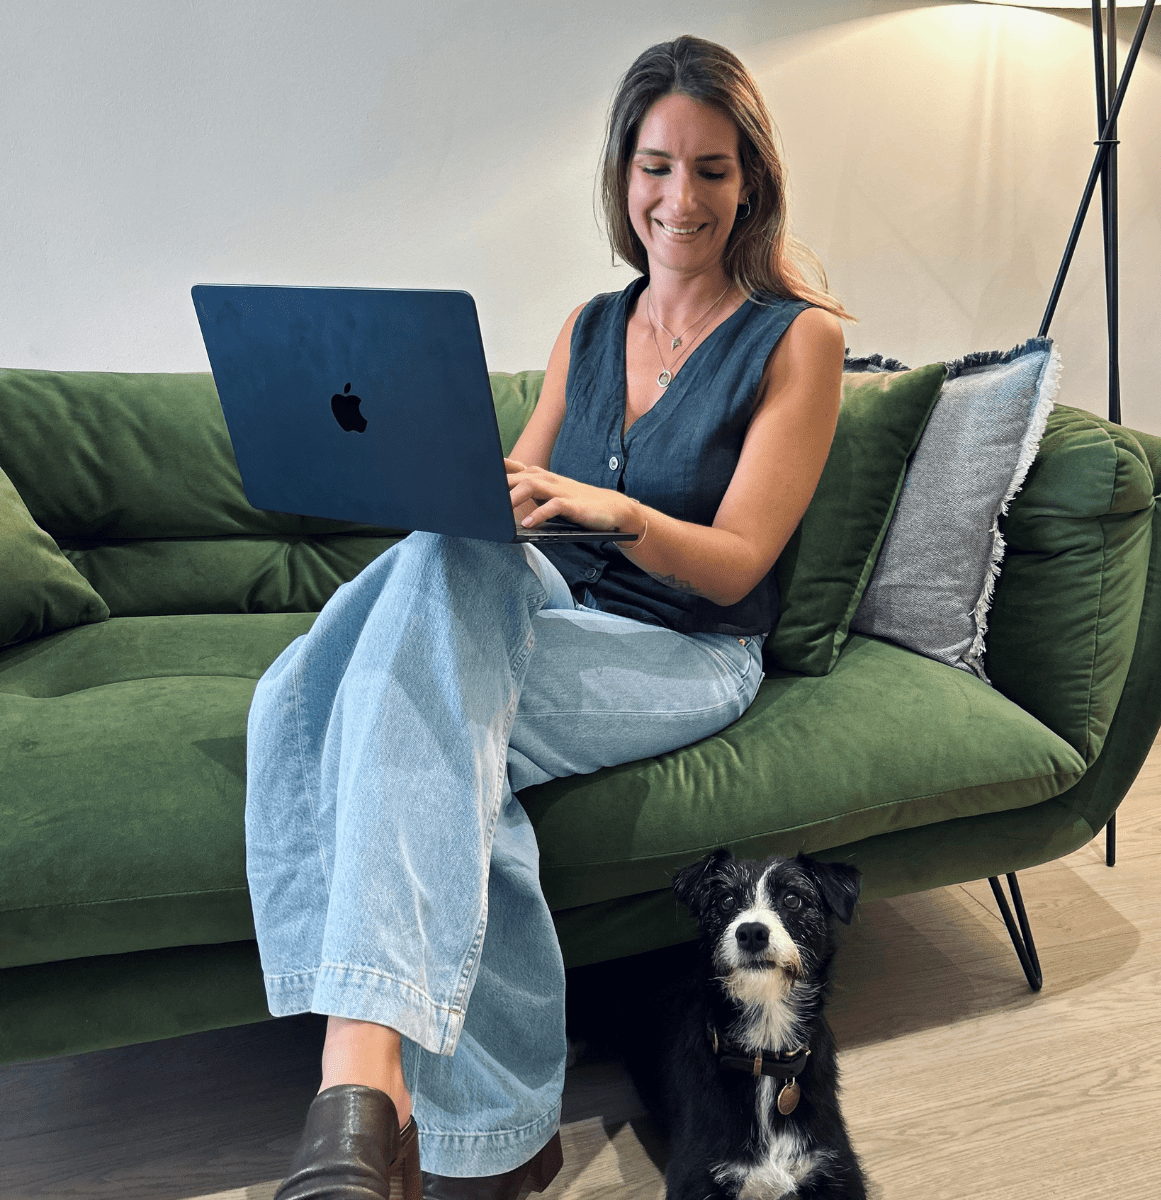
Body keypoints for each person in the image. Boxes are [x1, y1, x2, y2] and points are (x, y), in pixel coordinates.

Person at [255, 33, 850, 1200]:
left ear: (751, 183)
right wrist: (436, 479)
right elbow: (512, 502)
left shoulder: (800, 339)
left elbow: (737, 563)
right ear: (623, 176)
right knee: (384, 626)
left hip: (689, 646)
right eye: (656, 166)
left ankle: (368, 1076)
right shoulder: (589, 325)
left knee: (382, 708)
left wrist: (618, 513)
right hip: (553, 600)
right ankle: (486, 1135)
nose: (680, 198)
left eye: (711, 169)